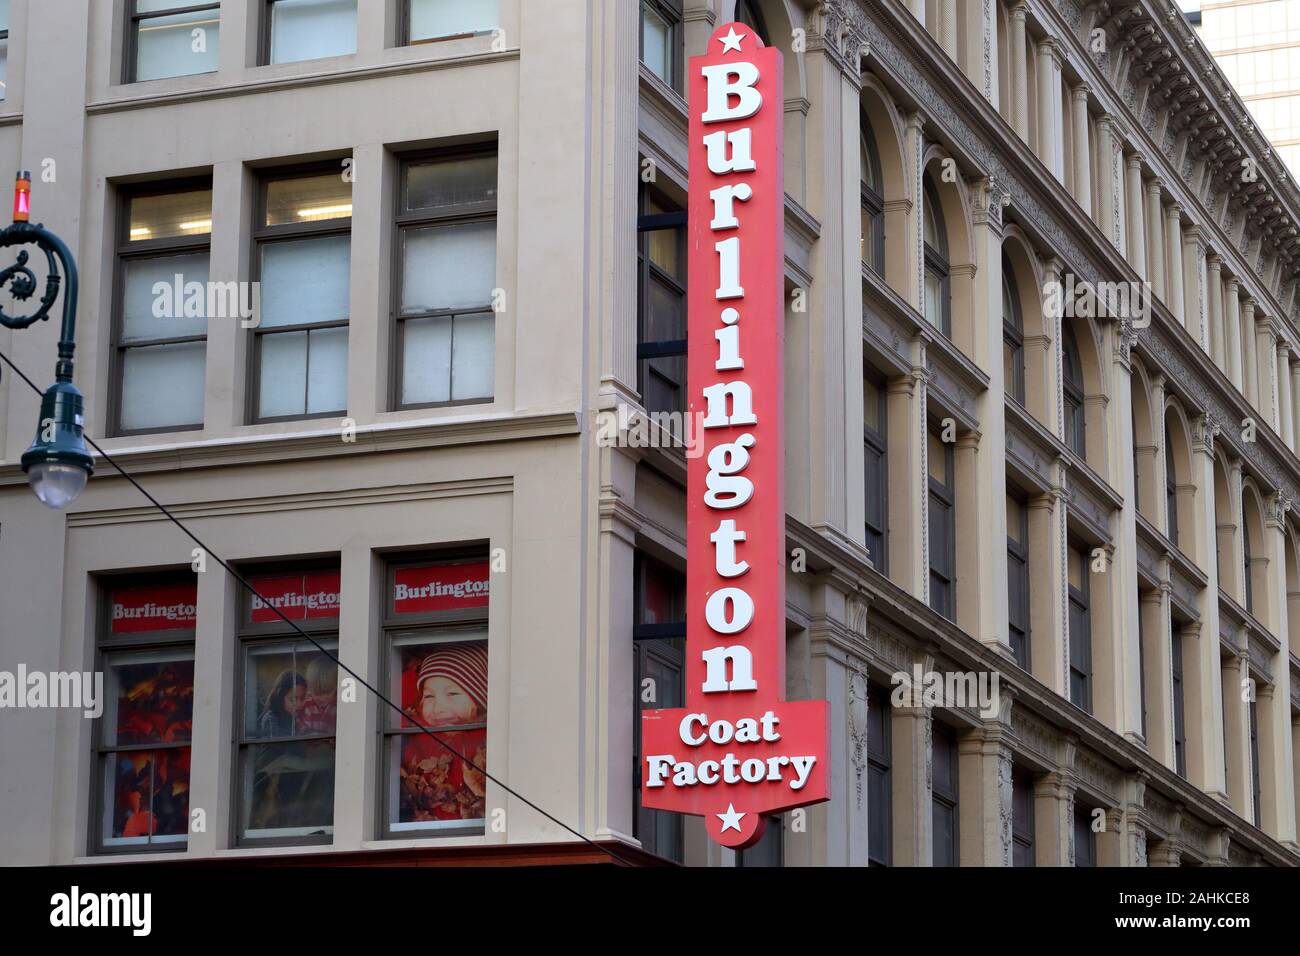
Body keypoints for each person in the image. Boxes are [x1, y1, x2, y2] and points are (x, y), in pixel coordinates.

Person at [259, 669, 306, 738]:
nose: (299, 704)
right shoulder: (271, 718)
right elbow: (280, 744)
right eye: (292, 700)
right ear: (280, 698)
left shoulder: (299, 716)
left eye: (302, 699)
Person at [298, 657, 338, 735]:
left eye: (327, 693)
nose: (322, 698)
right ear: (308, 687)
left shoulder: (339, 705)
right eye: (317, 694)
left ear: (336, 687)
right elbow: (299, 730)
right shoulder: (305, 704)